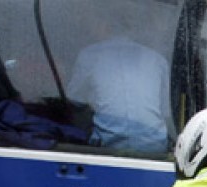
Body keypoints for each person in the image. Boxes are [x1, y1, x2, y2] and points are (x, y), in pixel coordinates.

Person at [67, 19, 173, 153]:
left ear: (104, 27)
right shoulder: (158, 60)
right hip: (154, 150)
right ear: (133, 32)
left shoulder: (90, 55)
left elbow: (75, 101)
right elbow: (165, 113)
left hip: (106, 147)